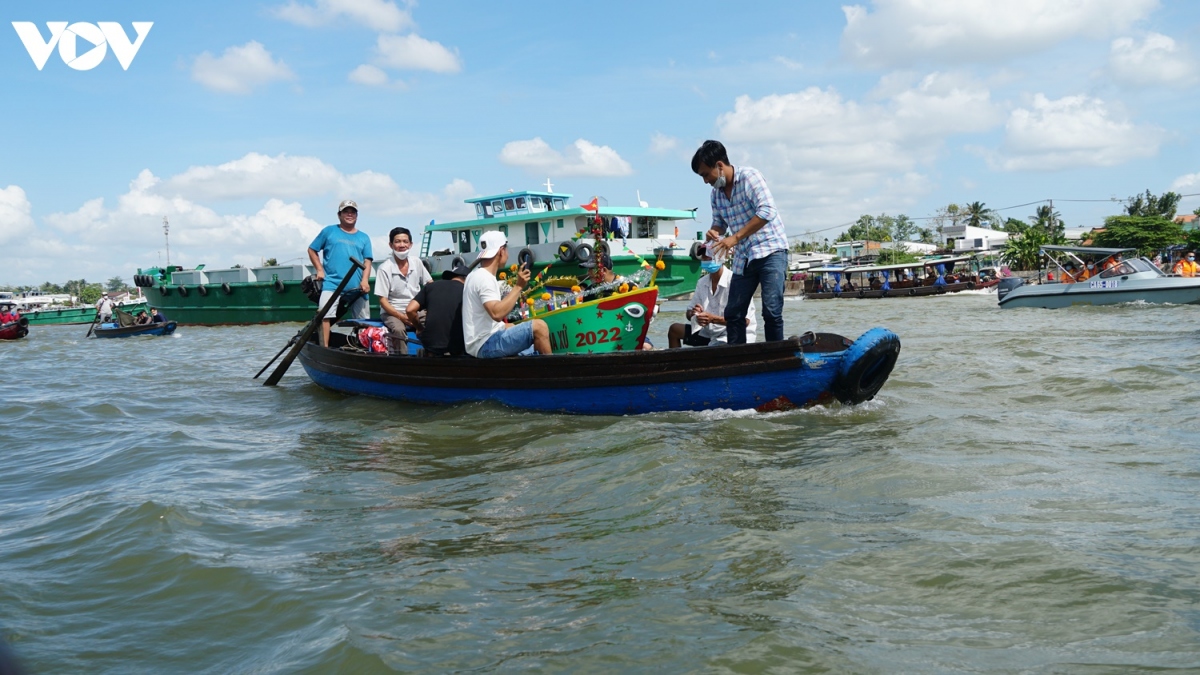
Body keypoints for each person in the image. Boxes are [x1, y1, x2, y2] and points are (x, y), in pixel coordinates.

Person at [692, 140, 788, 343]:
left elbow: (767, 211)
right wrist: (714, 232)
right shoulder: (716, 195)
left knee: (771, 310)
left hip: (770, 250)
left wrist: (734, 238)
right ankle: (738, 358)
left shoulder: (749, 177)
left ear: (719, 166)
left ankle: (776, 357)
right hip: (744, 256)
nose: (705, 180)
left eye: (705, 174)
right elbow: (719, 224)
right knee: (734, 312)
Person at [462, 231, 551, 358]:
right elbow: (496, 314)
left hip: (480, 343)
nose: (508, 255)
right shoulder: (484, 278)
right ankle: (552, 373)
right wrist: (519, 286)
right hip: (485, 344)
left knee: (518, 331)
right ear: (501, 251)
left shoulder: (475, 275)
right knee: (540, 327)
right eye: (506, 250)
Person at [308, 199, 373, 347]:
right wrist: (319, 269)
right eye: (346, 211)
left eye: (352, 212)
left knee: (364, 321)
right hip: (332, 283)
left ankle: (364, 348)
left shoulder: (364, 237)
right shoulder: (329, 231)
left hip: (357, 286)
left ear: (357, 215)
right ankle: (324, 348)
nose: (349, 214)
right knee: (324, 315)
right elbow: (312, 249)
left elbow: (367, 261)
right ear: (339, 215)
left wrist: (365, 280)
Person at [668, 246, 757, 348]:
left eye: (709, 257)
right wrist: (694, 313)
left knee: (718, 347)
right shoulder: (702, 282)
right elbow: (689, 313)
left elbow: (745, 321)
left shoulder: (736, 282)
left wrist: (712, 319)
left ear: (722, 258)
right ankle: (675, 364)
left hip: (733, 335)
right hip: (710, 334)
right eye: (704, 257)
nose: (706, 260)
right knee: (674, 330)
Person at [374, 226, 432, 355]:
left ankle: (434, 355)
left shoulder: (417, 262)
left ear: (411, 244)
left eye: (405, 241)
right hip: (393, 312)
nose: (402, 245)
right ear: (391, 245)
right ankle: (402, 359)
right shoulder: (385, 268)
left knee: (436, 322)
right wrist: (402, 317)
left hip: (416, 310)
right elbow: (383, 301)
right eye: (397, 241)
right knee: (399, 330)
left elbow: (429, 284)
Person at [406, 263, 468, 357]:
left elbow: (410, 310)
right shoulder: (466, 290)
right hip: (457, 345)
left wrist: (419, 328)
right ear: (467, 279)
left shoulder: (430, 287)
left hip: (430, 343)